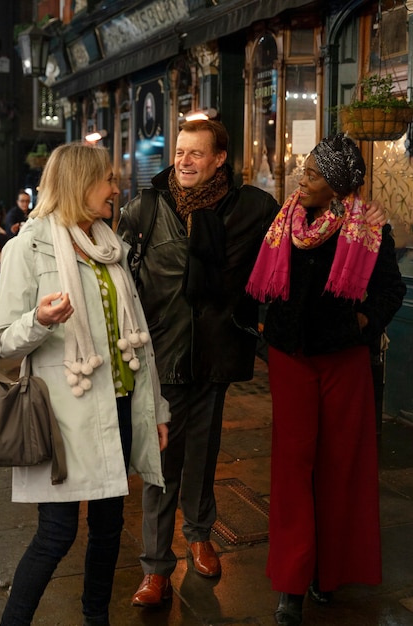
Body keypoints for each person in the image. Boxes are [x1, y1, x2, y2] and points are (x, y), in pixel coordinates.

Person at [118, 120, 388, 608]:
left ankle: (199, 536)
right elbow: (123, 281)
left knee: (203, 456)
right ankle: (155, 568)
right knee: (161, 465)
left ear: (219, 158)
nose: (183, 160)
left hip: (218, 356)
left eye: (195, 153)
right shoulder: (147, 208)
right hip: (163, 355)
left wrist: (264, 336)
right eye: (179, 152)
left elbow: (267, 282)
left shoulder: (256, 210)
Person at [0, 141, 170, 626]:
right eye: (108, 179)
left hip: (121, 405)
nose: (116, 188)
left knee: (110, 527)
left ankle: (97, 618)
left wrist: (158, 411)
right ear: (78, 184)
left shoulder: (111, 246)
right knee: (57, 533)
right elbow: (4, 342)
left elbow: (138, 338)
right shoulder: (26, 248)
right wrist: (40, 320)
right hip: (62, 416)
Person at [246, 133, 406, 626]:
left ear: (336, 186)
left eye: (313, 174)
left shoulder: (368, 229)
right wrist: (265, 330)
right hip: (291, 359)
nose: (302, 179)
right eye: (305, 171)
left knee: (340, 466)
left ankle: (328, 572)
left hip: (343, 361)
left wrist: (362, 323)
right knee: (294, 467)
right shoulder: (285, 219)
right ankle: (292, 583)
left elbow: (390, 290)